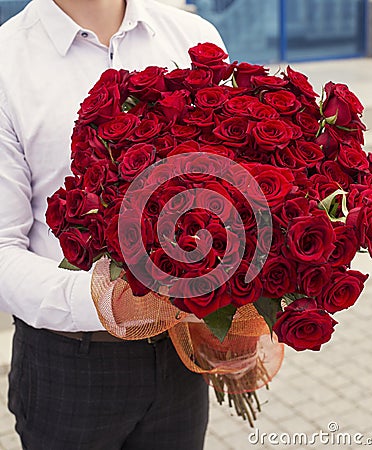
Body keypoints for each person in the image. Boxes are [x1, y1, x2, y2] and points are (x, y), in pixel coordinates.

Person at [0, 1, 226, 449]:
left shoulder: (191, 36)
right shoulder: (8, 60)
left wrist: (240, 315)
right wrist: (110, 301)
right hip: (71, 363)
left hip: (180, 355)